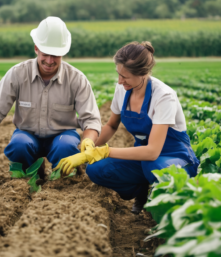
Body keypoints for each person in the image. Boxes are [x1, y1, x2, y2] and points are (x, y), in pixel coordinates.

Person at [55, 41, 200, 214]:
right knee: (96, 170)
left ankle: (166, 199)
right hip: (143, 158)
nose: (120, 80)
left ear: (144, 73)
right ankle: (140, 191)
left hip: (173, 158)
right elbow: (111, 125)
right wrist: (85, 150)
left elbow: (153, 151)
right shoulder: (122, 89)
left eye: (125, 77)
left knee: (158, 169)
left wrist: (104, 151)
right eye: (118, 74)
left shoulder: (163, 97)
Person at [0, 16, 101, 186]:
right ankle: (30, 169)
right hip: (27, 135)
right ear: (36, 48)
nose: (50, 61)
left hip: (62, 137)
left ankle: (64, 175)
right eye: (45, 54)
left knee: (67, 146)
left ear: (63, 53)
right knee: (19, 144)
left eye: (56, 55)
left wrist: (88, 142)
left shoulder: (76, 79)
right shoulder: (17, 74)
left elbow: (91, 119)